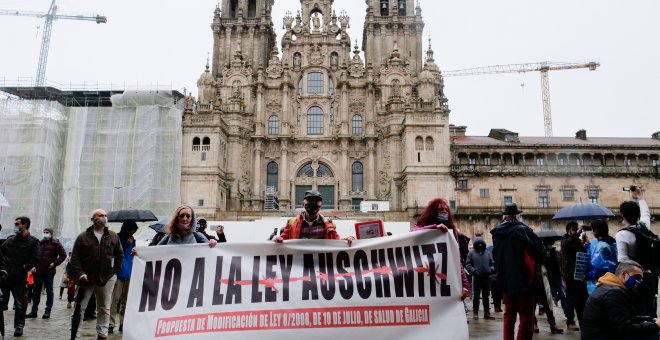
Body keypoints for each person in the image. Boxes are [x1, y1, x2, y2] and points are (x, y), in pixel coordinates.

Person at [490, 203, 544, 340]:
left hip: (504, 281)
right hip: (523, 280)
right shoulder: (523, 230)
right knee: (526, 318)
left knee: (509, 315)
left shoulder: (496, 233)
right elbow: (540, 252)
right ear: (517, 216)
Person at [70, 209, 124, 340]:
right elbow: (75, 258)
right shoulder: (83, 237)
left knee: (104, 307)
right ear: (93, 219)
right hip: (86, 279)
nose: (104, 217)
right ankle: (74, 335)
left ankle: (102, 334)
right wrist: (80, 273)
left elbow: (119, 255)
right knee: (79, 308)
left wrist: (114, 272)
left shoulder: (113, 236)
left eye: (105, 215)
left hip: (106, 278)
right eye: (101, 215)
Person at [581, 260, 660, 340]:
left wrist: (650, 319)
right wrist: (655, 325)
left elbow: (625, 317)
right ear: (623, 274)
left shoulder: (607, 286)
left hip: (601, 334)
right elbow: (626, 329)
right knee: (653, 335)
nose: (640, 281)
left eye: (641, 279)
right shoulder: (614, 293)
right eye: (637, 277)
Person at [411, 198, 470, 300]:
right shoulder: (423, 225)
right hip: (426, 278)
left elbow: (457, 259)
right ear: (433, 212)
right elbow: (414, 232)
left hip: (447, 278)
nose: (444, 213)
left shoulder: (452, 231)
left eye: (446, 210)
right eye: (440, 210)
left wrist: (465, 285)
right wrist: (434, 228)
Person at [616, 186, 658, 318]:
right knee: (650, 305)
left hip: (634, 278)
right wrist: (639, 195)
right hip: (651, 275)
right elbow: (646, 213)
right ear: (638, 215)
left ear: (622, 216)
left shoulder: (622, 235)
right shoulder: (644, 226)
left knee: (636, 309)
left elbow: (622, 259)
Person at [1, 216, 40, 337]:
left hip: (18, 277)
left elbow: (35, 258)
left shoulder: (33, 241)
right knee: (1, 302)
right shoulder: (10, 240)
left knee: (19, 303)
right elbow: (1, 252)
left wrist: (23, 268)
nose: (15, 226)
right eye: (15, 224)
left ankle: (19, 326)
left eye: (17, 224)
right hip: (5, 276)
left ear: (25, 225)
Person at [273, 190, 353, 245]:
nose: (313, 203)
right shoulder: (291, 223)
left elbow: (336, 242)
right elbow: (283, 240)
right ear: (303, 204)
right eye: (309, 201)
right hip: (299, 265)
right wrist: (277, 239)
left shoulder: (330, 225)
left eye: (316, 201)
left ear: (321, 205)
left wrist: (346, 241)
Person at [26, 227, 66, 319]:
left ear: (51, 234)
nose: (45, 233)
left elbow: (63, 255)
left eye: (47, 232)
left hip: (49, 271)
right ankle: (33, 311)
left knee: (49, 291)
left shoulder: (56, 243)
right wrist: (33, 266)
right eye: (44, 232)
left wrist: (55, 263)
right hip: (38, 272)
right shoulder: (39, 243)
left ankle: (48, 311)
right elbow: (33, 256)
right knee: (36, 291)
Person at [108, 221, 138, 334]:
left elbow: (133, 254)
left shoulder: (133, 239)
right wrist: (125, 243)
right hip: (118, 274)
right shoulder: (117, 237)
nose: (133, 232)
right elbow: (114, 252)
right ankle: (111, 324)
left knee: (125, 301)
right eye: (132, 229)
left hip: (129, 273)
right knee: (114, 300)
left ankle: (122, 323)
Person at [560, 221, 589, 330]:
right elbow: (567, 245)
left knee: (582, 299)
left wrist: (585, 243)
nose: (576, 230)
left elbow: (584, 252)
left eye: (577, 229)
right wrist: (577, 233)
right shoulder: (565, 239)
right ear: (568, 230)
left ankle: (582, 321)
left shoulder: (577, 241)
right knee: (571, 299)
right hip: (570, 276)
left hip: (580, 275)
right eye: (574, 229)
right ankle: (570, 321)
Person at [466, 237, 495, 320]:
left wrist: (491, 269)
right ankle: (475, 313)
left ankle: (487, 313)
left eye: (481, 244)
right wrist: (473, 271)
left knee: (486, 296)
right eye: (478, 244)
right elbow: (468, 264)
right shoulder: (471, 253)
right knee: (476, 296)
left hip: (487, 278)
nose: (480, 245)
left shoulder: (488, 253)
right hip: (477, 278)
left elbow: (492, 263)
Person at [586, 220, 617, 293]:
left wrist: (587, 276)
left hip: (603, 281)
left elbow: (598, 267)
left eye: (592, 229)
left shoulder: (601, 245)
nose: (592, 232)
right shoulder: (613, 242)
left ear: (596, 230)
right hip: (614, 278)